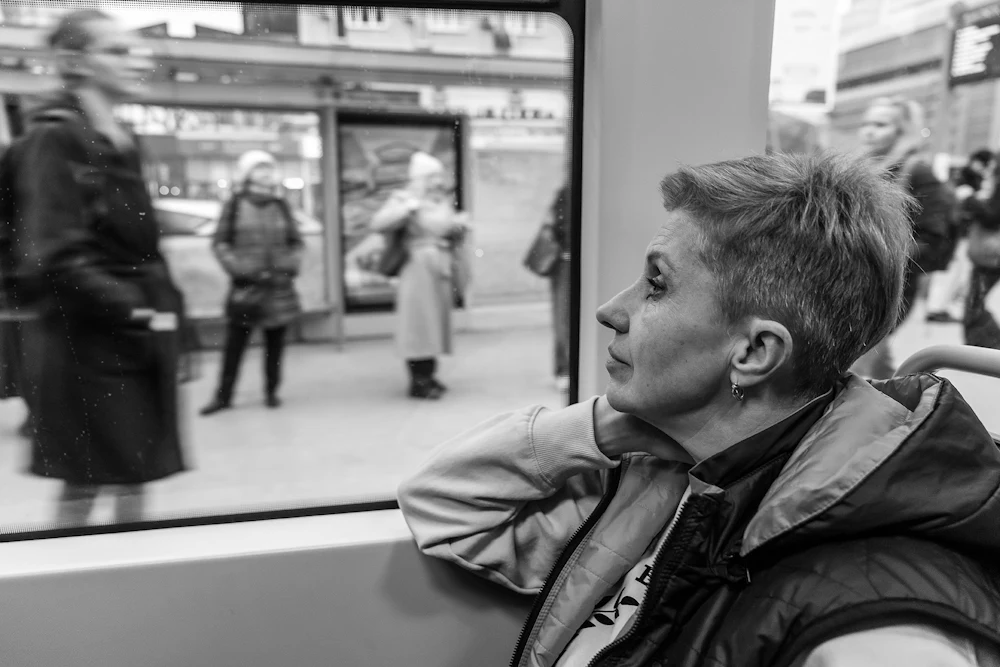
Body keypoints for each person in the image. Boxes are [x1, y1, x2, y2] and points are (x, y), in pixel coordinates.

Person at [398, 152, 1000, 667]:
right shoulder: (669, 474)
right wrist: (600, 426)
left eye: (656, 285)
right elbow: (442, 505)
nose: (610, 309)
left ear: (754, 352)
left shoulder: (878, 630)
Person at [9, 9, 187, 525]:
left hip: (123, 338)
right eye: (117, 50)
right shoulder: (56, 136)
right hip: (87, 342)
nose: (136, 60)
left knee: (133, 472)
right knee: (88, 479)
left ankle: (118, 583)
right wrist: (142, 315)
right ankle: (72, 588)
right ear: (75, 62)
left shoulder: (119, 136)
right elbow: (53, 253)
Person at [851, 96, 955, 379]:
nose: (869, 131)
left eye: (881, 124)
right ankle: (893, 403)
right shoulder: (859, 165)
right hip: (849, 279)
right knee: (869, 361)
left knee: (855, 361)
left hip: (888, 288)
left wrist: (876, 248)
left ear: (902, 131)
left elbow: (936, 239)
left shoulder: (917, 171)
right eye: (866, 123)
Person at [200, 150, 304, 416]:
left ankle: (271, 391)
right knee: (235, 345)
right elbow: (220, 243)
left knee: (275, 345)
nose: (266, 173)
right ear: (247, 173)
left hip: (278, 287)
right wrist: (242, 271)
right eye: (260, 168)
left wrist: (288, 266)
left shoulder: (281, 205)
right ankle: (223, 396)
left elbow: (296, 243)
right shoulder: (234, 204)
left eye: (269, 167)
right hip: (247, 288)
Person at [370, 151, 468, 399]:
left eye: (439, 175)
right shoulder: (403, 198)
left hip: (440, 268)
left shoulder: (440, 200)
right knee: (417, 325)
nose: (438, 180)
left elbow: (443, 229)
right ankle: (418, 381)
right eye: (432, 175)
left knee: (434, 324)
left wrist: (458, 228)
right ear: (420, 177)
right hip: (416, 268)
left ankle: (430, 375)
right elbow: (378, 223)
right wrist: (405, 210)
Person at [926, 148, 994, 323]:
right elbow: (954, 203)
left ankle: (941, 307)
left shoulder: (974, 179)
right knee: (948, 269)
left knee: (957, 271)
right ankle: (935, 308)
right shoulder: (961, 178)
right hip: (953, 231)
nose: (984, 169)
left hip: (964, 232)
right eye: (984, 164)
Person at [958, 158, 1000, 350]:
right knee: (974, 301)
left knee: (974, 302)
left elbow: (992, 216)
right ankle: (977, 346)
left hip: (991, 257)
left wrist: (970, 198)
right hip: (987, 256)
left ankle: (985, 346)